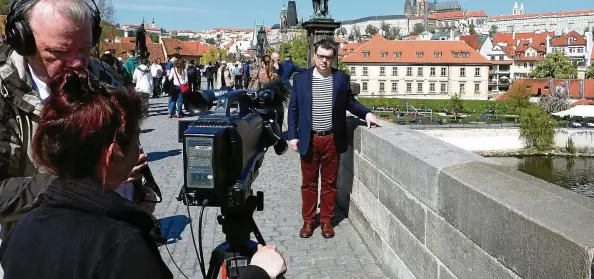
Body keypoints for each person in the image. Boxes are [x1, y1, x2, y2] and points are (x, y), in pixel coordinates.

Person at [0, 69, 286, 279]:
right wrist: (258, 273)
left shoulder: (25, 227)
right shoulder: (121, 246)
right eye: (136, 140)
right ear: (112, 154)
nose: (142, 151)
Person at [0, 0, 156, 238]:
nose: (78, 65)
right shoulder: (4, 94)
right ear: (22, 41)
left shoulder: (104, 76)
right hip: (39, 251)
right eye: (59, 52)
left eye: (84, 49)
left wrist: (137, 191)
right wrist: (87, 184)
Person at [287, 39, 381, 239]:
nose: (324, 61)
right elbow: (293, 108)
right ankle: (308, 221)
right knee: (309, 183)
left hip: (331, 138)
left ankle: (327, 221)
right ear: (315, 56)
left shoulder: (340, 78)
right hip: (309, 139)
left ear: (333, 58)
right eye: (321, 56)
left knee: (330, 183)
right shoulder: (301, 78)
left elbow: (349, 102)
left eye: (329, 58)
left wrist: (367, 114)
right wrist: (292, 136)